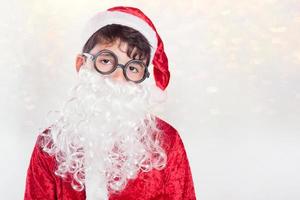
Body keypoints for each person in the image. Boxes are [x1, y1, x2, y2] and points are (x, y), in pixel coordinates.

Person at [24, 6, 196, 200]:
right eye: (106, 61)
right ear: (82, 64)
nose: (118, 76)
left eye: (133, 68)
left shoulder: (166, 141)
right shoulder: (51, 144)